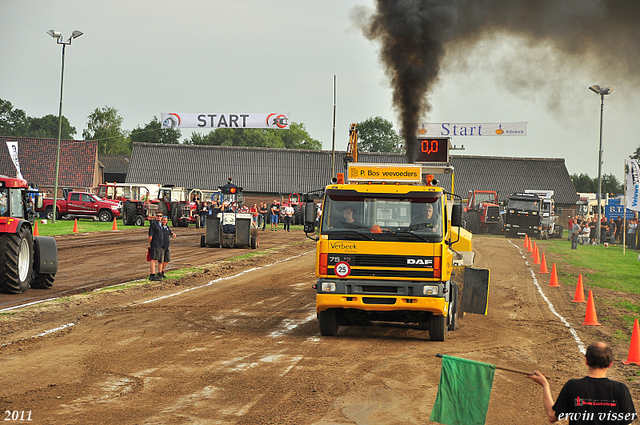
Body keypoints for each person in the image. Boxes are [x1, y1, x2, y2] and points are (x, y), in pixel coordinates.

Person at [528, 341, 636, 424]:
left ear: (586, 361)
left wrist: (545, 384)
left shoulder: (573, 386)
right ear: (611, 363)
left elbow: (552, 417)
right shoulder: (621, 389)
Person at [148, 212, 165, 281]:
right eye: (157, 216)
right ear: (155, 216)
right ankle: (152, 275)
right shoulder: (154, 224)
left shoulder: (161, 224)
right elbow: (150, 235)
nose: (159, 217)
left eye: (160, 216)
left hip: (161, 245)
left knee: (160, 260)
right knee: (154, 259)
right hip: (155, 244)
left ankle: (159, 273)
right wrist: (150, 244)